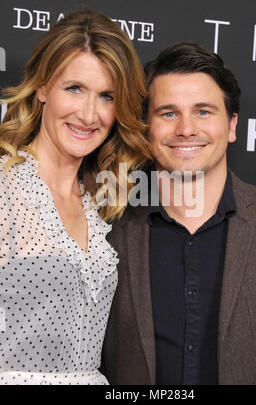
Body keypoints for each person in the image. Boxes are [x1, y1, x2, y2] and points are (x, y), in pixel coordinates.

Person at [102, 42, 256, 385]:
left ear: (233, 125)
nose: (186, 129)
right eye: (168, 113)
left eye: (203, 112)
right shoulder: (106, 229)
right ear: (146, 128)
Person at [0, 9, 151, 385]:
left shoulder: (101, 202)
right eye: (74, 89)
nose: (88, 114)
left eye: (106, 96)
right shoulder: (4, 187)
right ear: (42, 87)